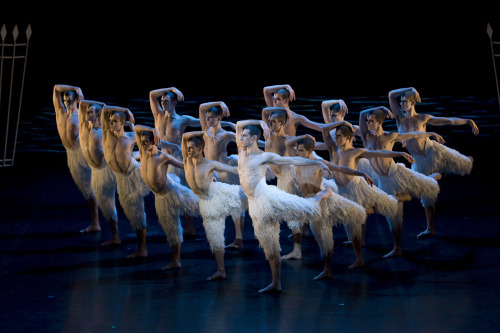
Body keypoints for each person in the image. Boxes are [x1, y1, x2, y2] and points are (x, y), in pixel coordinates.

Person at [235, 119, 333, 293]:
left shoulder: (264, 156)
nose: (241, 139)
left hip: (267, 197)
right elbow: (238, 124)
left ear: (254, 138)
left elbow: (293, 159)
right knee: (270, 247)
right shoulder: (241, 151)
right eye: (241, 137)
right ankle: (276, 282)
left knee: (305, 208)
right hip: (255, 205)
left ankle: (319, 198)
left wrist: (317, 163)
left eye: (245, 136)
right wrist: (259, 121)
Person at [388, 87, 479, 238]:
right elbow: (391, 94)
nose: (402, 104)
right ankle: (430, 228)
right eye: (401, 102)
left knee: (462, 163)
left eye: (405, 102)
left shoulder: (422, 118)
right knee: (427, 195)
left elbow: (448, 121)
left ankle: (467, 160)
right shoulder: (400, 118)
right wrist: (410, 88)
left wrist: (468, 121)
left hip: (431, 151)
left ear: (412, 103)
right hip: (418, 160)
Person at [358, 106, 444, 257]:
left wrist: (431, 133)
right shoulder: (366, 137)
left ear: (379, 122)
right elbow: (361, 113)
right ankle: (397, 248)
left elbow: (412, 134)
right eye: (367, 121)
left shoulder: (390, 136)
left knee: (423, 186)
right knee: (393, 215)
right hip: (384, 181)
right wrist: (379, 108)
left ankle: (431, 178)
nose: (367, 123)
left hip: (396, 174)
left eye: (371, 121)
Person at [285, 134, 370, 279]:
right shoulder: (297, 162)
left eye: (300, 150)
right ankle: (327, 269)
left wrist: (360, 173)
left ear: (309, 151)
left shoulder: (318, 162)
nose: (297, 152)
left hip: (325, 200)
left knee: (354, 219)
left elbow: (340, 169)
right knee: (322, 237)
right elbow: (287, 145)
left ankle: (359, 258)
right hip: (311, 204)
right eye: (297, 150)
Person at [321, 120, 407, 249]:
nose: (335, 138)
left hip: (357, 188)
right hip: (343, 191)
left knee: (388, 204)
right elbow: (324, 130)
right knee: (352, 220)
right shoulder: (333, 149)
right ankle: (359, 250)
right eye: (336, 136)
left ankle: (399, 197)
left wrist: (400, 153)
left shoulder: (355, 152)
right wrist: (342, 122)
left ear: (347, 138)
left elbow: (379, 153)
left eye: (339, 136)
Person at [181, 131, 248, 281]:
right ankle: (221, 270)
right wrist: (203, 132)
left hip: (217, 196)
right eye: (188, 148)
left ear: (200, 149)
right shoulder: (187, 161)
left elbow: (232, 170)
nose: (188, 150)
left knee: (250, 201)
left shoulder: (209, 164)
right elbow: (185, 136)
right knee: (215, 238)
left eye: (191, 148)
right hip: (206, 202)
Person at [135, 125, 200, 270]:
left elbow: (185, 166)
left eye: (146, 142)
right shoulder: (143, 152)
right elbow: (137, 129)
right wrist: (153, 130)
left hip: (173, 193)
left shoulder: (162, 157)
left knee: (203, 207)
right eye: (142, 142)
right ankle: (176, 261)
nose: (142, 144)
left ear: (153, 142)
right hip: (160, 197)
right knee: (171, 229)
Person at [149, 87, 201, 237]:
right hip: (163, 161)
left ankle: (191, 226)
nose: (163, 103)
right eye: (162, 101)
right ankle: (174, 227)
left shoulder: (182, 119)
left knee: (183, 193)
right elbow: (152, 94)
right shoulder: (158, 115)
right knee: (168, 195)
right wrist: (172, 88)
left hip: (177, 160)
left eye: (166, 101)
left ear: (174, 103)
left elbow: (203, 123)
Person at [101, 105, 151, 259]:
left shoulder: (131, 137)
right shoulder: (106, 134)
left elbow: (149, 146)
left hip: (132, 176)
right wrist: (126, 110)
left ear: (122, 123)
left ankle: (142, 250)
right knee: (130, 212)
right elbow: (104, 110)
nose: (111, 124)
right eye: (110, 121)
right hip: (120, 179)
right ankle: (117, 237)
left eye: (115, 121)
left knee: (137, 213)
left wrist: (137, 156)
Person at [52, 84, 99, 234]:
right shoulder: (60, 112)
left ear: (76, 100)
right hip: (70, 154)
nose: (67, 103)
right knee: (86, 191)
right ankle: (95, 222)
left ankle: (96, 223)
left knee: (90, 190)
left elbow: (83, 101)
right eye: (65, 100)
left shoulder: (80, 115)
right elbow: (55, 88)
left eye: (70, 100)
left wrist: (79, 90)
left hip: (81, 153)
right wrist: (74, 87)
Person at [198, 101, 245, 249]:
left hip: (225, 173)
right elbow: (201, 107)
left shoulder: (226, 134)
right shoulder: (204, 131)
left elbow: (244, 141)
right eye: (207, 117)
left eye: (211, 117)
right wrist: (220, 102)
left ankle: (239, 240)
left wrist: (233, 127)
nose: (207, 119)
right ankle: (218, 237)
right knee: (214, 207)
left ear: (218, 119)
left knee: (235, 207)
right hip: (212, 174)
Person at [78, 99, 120, 246]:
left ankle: (116, 236)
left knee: (108, 204)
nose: (87, 113)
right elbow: (81, 103)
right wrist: (98, 104)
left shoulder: (104, 131)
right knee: (101, 202)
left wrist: (102, 106)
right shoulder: (83, 127)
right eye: (87, 111)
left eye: (90, 112)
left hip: (105, 170)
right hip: (94, 171)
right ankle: (98, 225)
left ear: (98, 115)